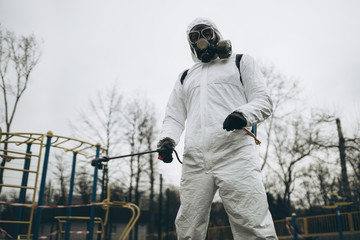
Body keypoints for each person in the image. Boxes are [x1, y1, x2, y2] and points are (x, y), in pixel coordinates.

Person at [157, 17, 278, 240]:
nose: (201, 39)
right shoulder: (186, 76)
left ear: (217, 35)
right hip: (195, 160)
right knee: (188, 227)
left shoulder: (240, 62)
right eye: (194, 36)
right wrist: (167, 141)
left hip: (235, 154)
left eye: (206, 33)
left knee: (251, 222)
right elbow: (174, 117)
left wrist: (242, 115)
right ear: (190, 43)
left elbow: (263, 100)